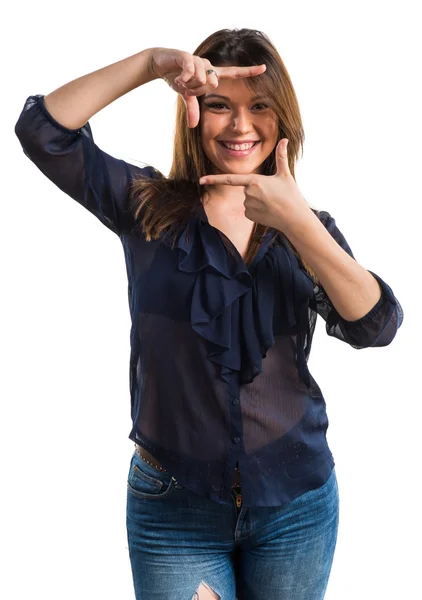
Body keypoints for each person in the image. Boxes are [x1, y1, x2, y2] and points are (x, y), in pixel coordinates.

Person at [14, 28, 403, 600]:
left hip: (298, 506)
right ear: (194, 111)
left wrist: (298, 222)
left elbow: (376, 324)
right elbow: (44, 132)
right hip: (174, 508)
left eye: (260, 107)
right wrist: (151, 63)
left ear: (283, 117)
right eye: (220, 104)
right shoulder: (147, 206)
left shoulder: (308, 228)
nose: (240, 126)